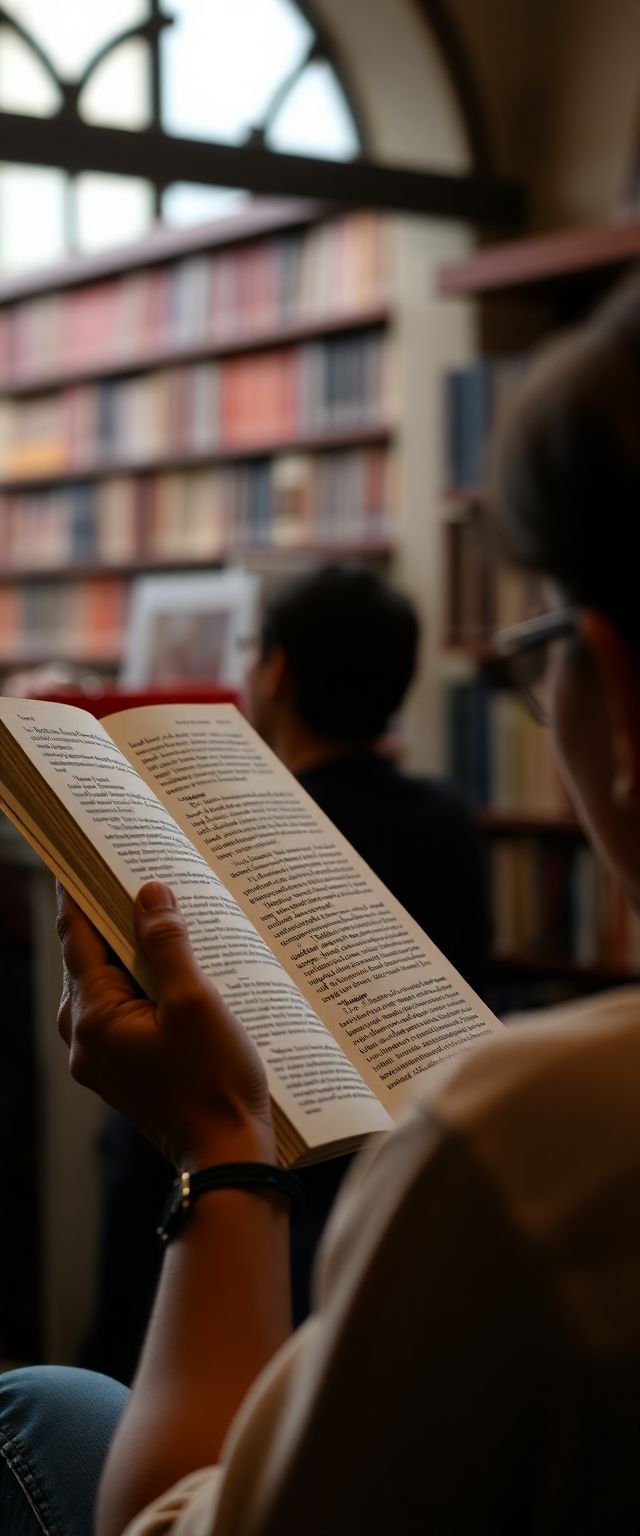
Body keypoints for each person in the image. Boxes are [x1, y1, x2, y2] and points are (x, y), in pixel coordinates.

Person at [4, 266, 640, 1535]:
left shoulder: (551, 1146)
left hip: (301, 1237)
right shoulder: (447, 826)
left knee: (31, 1406)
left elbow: (177, 1519)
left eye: (540, 646)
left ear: (614, 686)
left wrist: (223, 1143)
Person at [80, 563, 490, 1382]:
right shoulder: (451, 824)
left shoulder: (231, 838)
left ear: (276, 672)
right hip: (412, 1206)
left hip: (252, 1207)